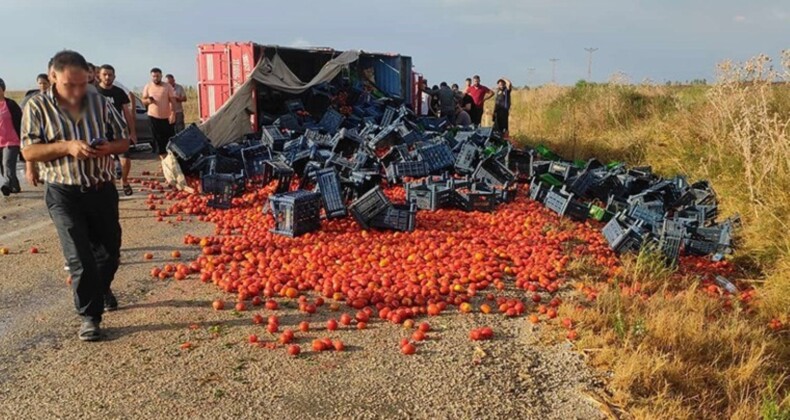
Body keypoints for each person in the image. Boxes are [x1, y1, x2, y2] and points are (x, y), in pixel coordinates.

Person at [20, 50, 129, 342]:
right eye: (71, 85)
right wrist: (66, 146)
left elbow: (123, 139)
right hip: (63, 192)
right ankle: (90, 317)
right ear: (53, 77)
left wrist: (108, 148)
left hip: (101, 188)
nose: (78, 91)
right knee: (80, 257)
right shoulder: (37, 106)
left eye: (83, 84)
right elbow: (29, 151)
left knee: (110, 253)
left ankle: (101, 288)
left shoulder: (100, 102)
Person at [97, 64, 137, 196]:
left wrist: (132, 132)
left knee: (126, 160)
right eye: (105, 74)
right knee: (107, 162)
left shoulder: (119, 92)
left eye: (110, 75)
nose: (107, 77)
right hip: (101, 132)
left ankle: (124, 181)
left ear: (114, 76)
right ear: (99, 76)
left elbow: (127, 112)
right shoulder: (94, 92)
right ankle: (112, 188)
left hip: (119, 131)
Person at [142, 68, 177, 158]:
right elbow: (143, 100)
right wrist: (148, 101)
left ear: (161, 76)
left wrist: (173, 113)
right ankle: (162, 162)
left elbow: (173, 101)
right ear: (151, 77)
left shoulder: (167, 86)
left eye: (157, 76)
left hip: (166, 118)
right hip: (153, 117)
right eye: (154, 76)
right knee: (158, 140)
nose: (156, 78)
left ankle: (169, 160)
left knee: (169, 140)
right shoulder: (148, 86)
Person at [0, 78, 23, 195]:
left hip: (11, 141)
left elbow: (21, 122)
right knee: (3, 167)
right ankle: (14, 186)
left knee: (7, 163)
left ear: (3, 89)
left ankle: (6, 185)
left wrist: (23, 139)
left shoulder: (11, 104)